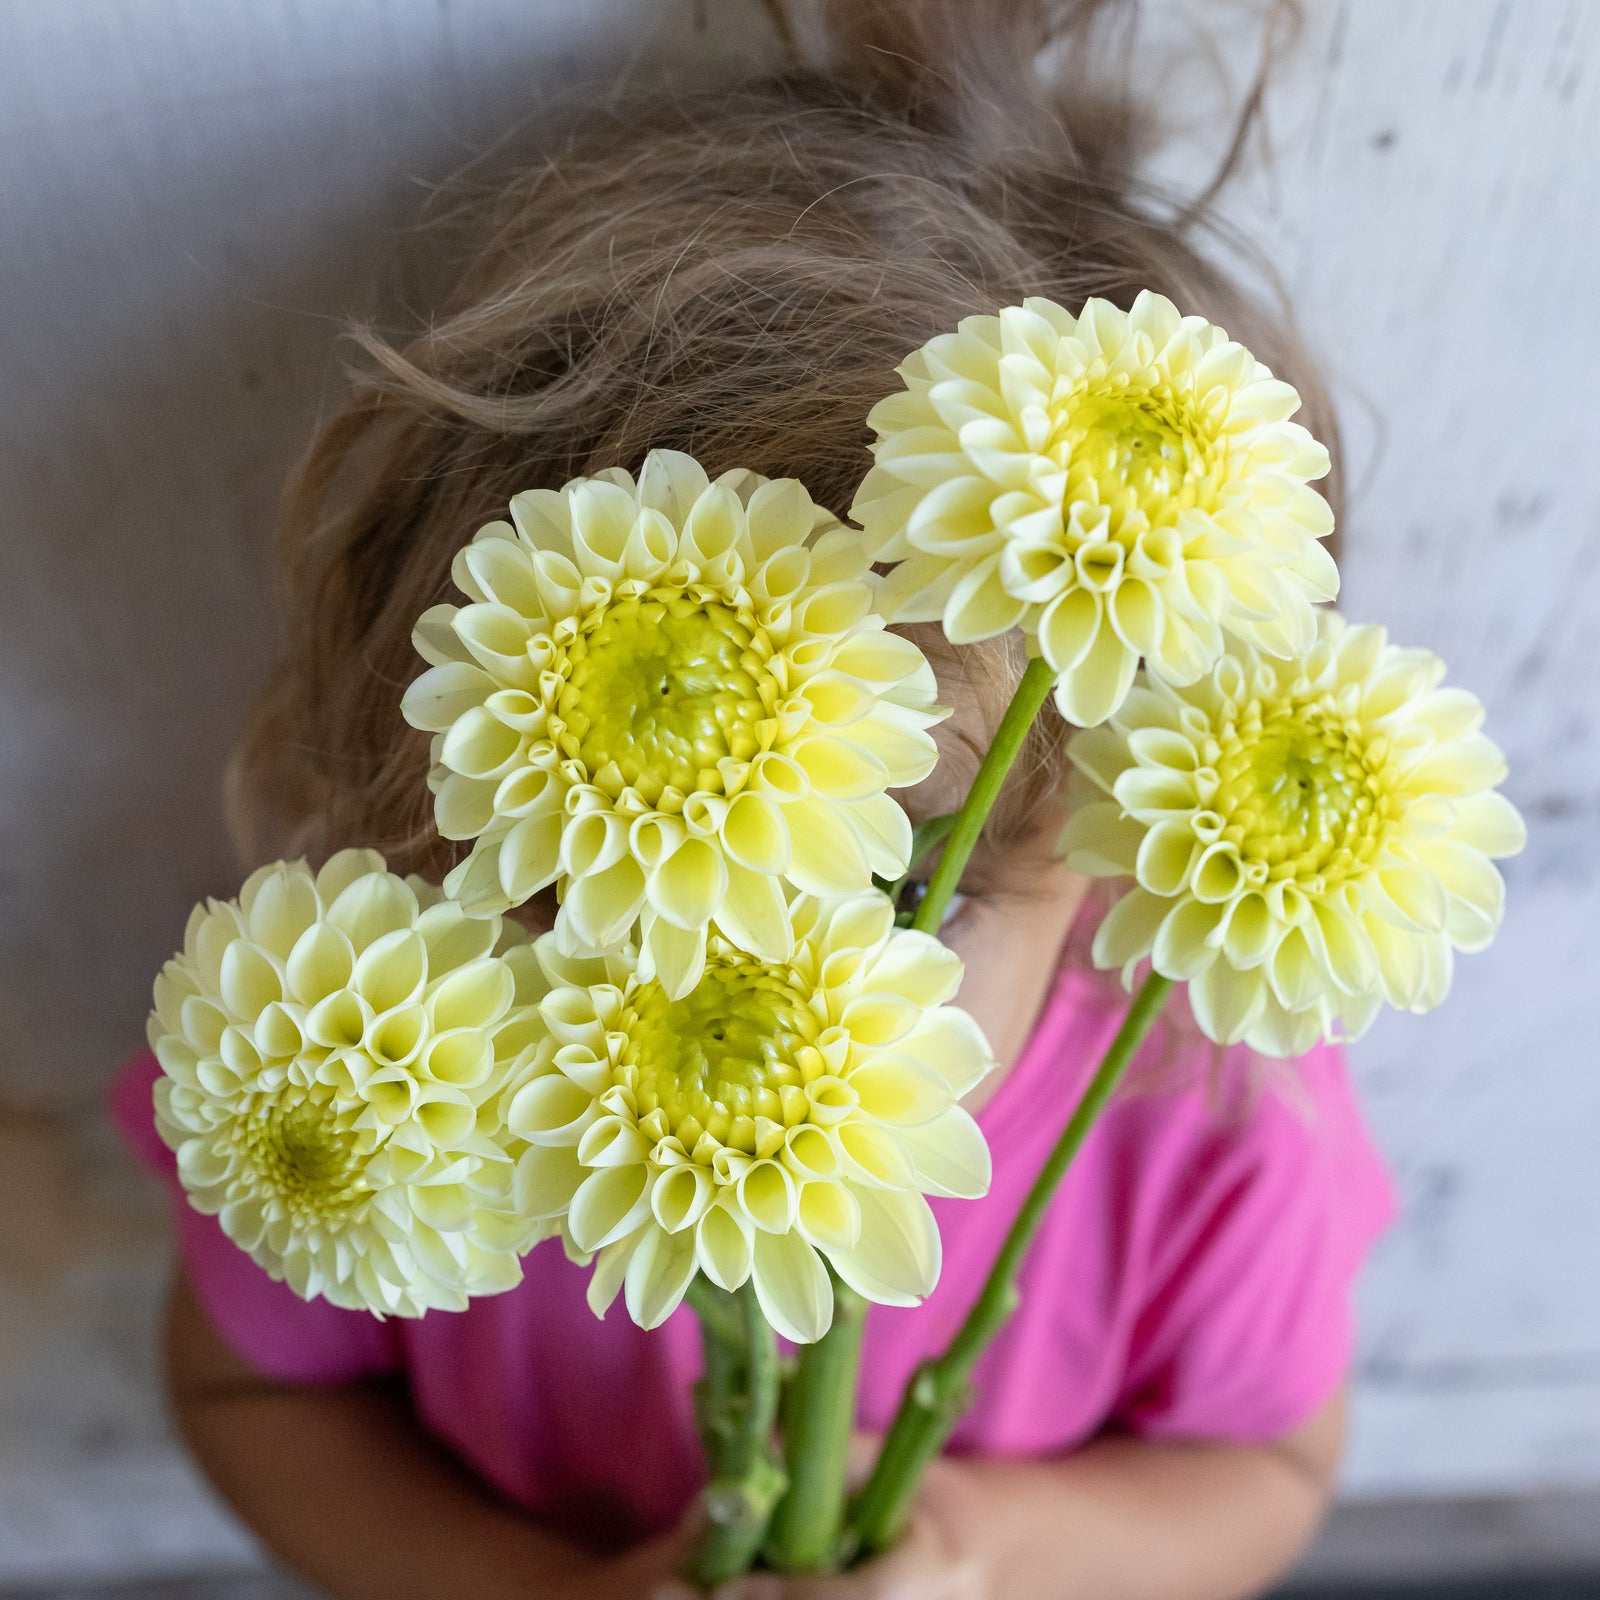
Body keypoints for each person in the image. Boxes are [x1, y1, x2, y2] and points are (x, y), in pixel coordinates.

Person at [113, 3, 1395, 1595]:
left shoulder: (1206, 1111)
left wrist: (982, 1544)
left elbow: (1269, 1469)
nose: (726, 967)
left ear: (1119, 854)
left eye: (906, 889)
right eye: (603, 881)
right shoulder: (365, 1067)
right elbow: (251, 1392)